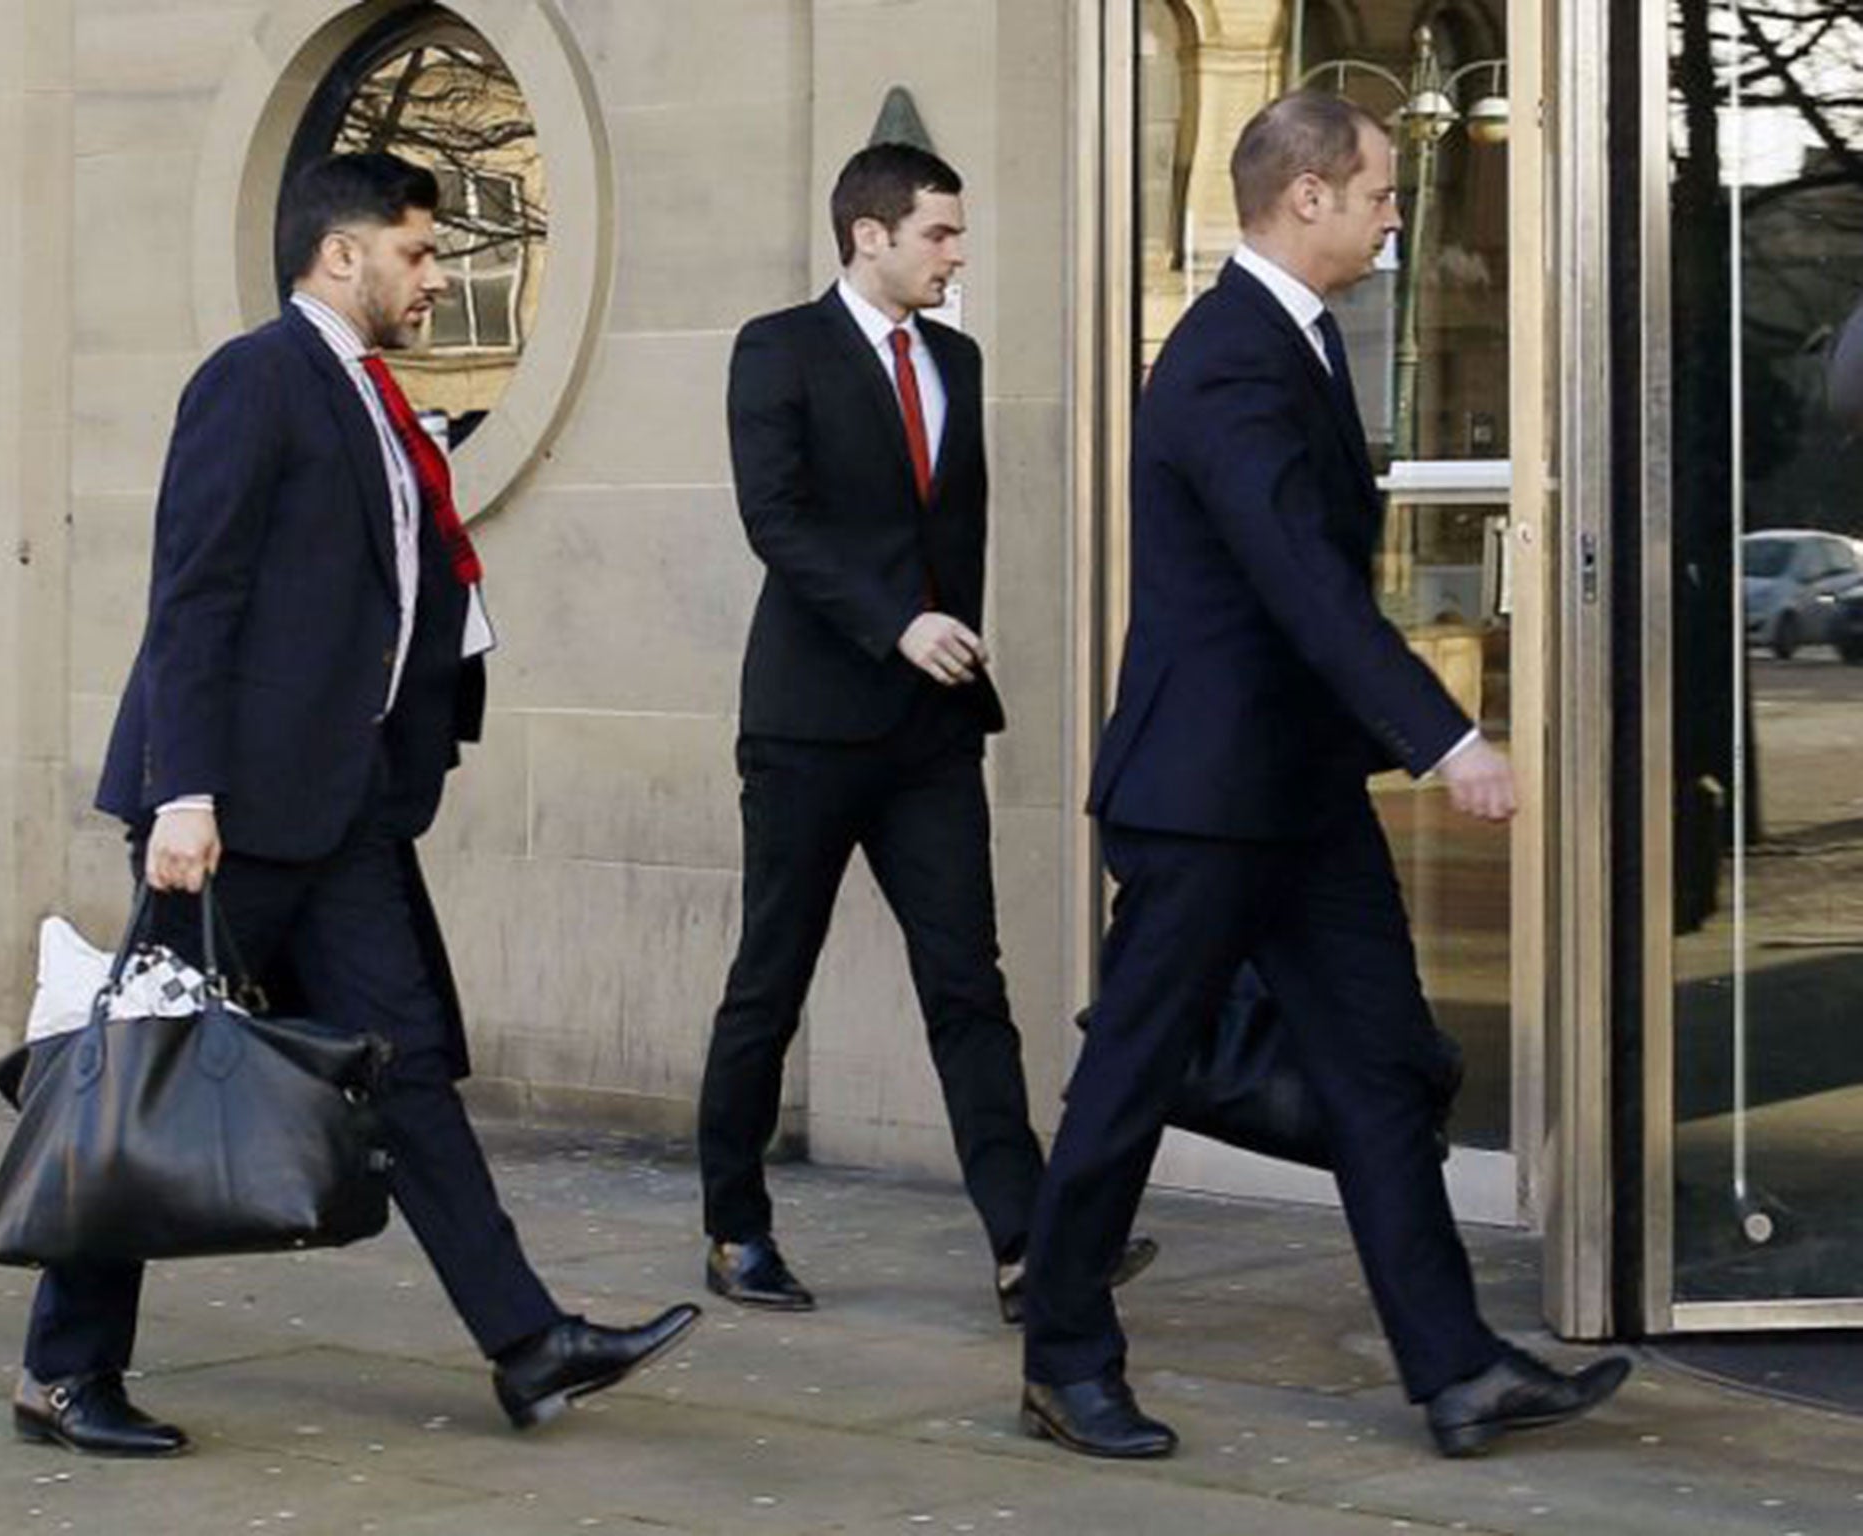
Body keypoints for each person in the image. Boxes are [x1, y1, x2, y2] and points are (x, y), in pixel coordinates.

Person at [12, 153, 698, 1457]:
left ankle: (527, 1340)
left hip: (340, 816)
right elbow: (194, 599)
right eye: (418, 253)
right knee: (141, 1080)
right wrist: (183, 794)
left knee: (408, 1072)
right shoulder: (255, 381)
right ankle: (62, 1370)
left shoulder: (375, 402)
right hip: (232, 816)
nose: (436, 277)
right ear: (343, 257)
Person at [1016, 92, 1630, 1461]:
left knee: (1378, 1071)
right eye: (1379, 190)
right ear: (1307, 197)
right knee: (1129, 1075)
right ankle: (1064, 1357)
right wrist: (1447, 736)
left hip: (1295, 798)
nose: (1394, 211)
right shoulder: (1232, 354)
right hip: (1204, 797)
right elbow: (1298, 574)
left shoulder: (1299, 341)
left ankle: (1456, 1369)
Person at [697, 143, 1153, 1321]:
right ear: (869, 236)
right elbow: (776, 523)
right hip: (806, 726)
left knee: (967, 984)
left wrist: (942, 647)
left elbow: (953, 536)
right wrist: (895, 624)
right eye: (939, 234)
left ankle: (1025, 1244)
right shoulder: (777, 349)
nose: (957, 253)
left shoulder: (956, 357)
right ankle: (734, 1226)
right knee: (770, 979)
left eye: (957, 233)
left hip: (929, 735)